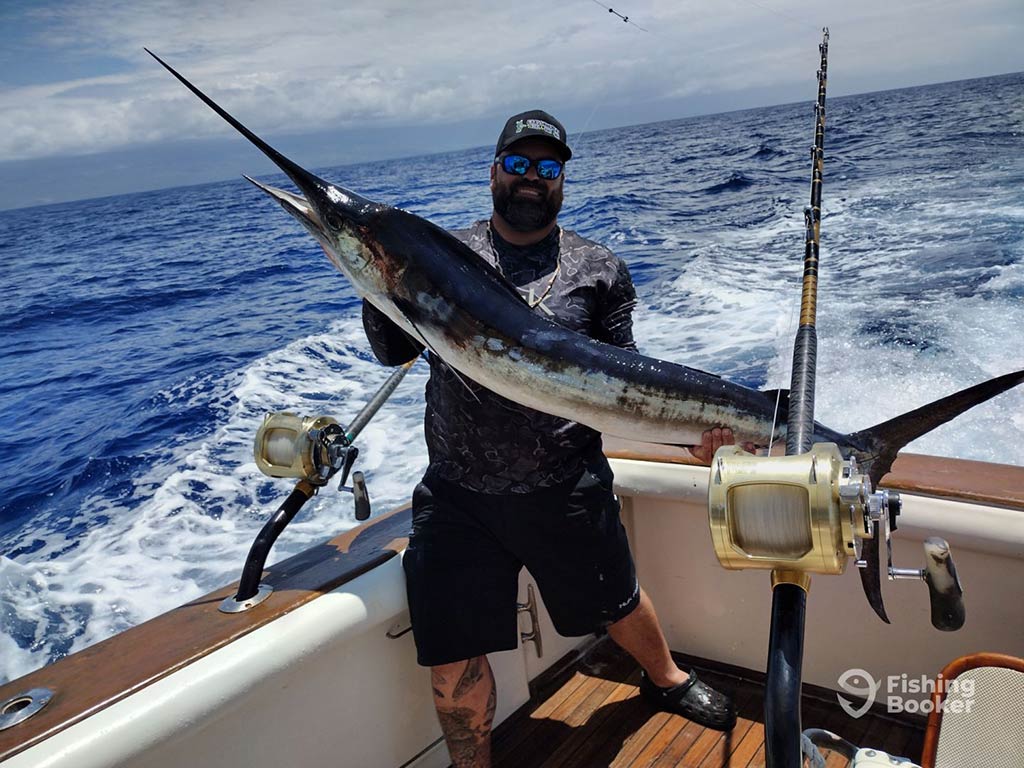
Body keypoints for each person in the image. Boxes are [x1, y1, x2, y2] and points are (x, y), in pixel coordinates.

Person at [362, 109, 738, 767]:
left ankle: (666, 677)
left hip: (567, 483)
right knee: (452, 661)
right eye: (518, 163)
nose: (532, 177)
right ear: (494, 173)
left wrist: (690, 440)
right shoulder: (447, 259)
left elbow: (626, 384)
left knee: (619, 603)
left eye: (547, 166)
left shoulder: (599, 269)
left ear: (561, 179)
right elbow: (391, 351)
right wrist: (378, 283)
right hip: (458, 494)